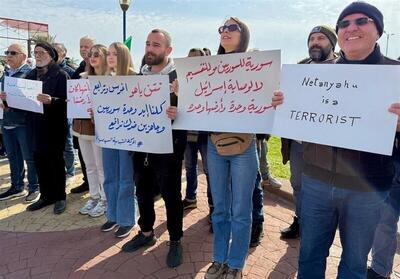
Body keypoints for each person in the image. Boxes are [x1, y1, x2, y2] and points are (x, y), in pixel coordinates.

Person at [272, 2, 400, 278]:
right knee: (309, 258)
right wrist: (283, 103)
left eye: (361, 21)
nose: (351, 28)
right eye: (344, 23)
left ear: (378, 30)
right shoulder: (314, 74)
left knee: (354, 265)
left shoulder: (396, 74)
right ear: (339, 33)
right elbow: (297, 118)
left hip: (367, 190)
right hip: (316, 183)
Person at [122, 29, 187, 269]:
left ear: (168, 50)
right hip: (141, 147)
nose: (150, 49)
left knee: (171, 195)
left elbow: (195, 112)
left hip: (169, 148)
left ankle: (175, 239)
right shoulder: (138, 76)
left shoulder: (180, 78)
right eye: (148, 44)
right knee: (143, 190)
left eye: (156, 45)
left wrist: (178, 112)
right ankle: (147, 232)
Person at [204, 17, 257, 279]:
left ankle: (236, 263)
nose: (224, 31)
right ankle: (218, 259)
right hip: (214, 144)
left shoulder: (256, 66)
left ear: (243, 34)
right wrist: (182, 93)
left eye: (231, 28)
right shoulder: (206, 68)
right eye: (221, 28)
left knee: (241, 209)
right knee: (220, 208)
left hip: (244, 146)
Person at [280, 25, 338, 239]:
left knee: (324, 188)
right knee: (298, 183)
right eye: (311, 38)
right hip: (298, 142)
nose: (315, 42)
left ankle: (319, 227)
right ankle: (300, 220)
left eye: (321, 38)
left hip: (328, 145)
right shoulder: (298, 68)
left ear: (332, 42)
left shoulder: (345, 68)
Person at [25, 42, 68, 214]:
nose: (38, 55)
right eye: (36, 52)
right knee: (40, 161)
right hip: (36, 126)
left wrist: (53, 101)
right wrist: (8, 100)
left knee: (56, 162)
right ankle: (45, 196)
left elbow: (68, 102)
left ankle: (60, 197)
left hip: (54, 127)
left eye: (42, 52)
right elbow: (23, 99)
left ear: (51, 55)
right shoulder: (30, 75)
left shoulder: (61, 75)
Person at [99, 42, 137, 238]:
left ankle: (127, 219)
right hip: (108, 135)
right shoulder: (104, 79)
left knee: (125, 178)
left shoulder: (135, 78)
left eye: (115, 54)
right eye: (109, 54)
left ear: (123, 55)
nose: (110, 57)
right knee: (110, 177)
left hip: (128, 137)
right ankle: (112, 215)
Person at [0, 43, 39, 202]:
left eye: (13, 53)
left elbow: (33, 100)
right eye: (7, 52)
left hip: (23, 124)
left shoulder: (30, 73)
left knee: (29, 157)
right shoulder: (5, 74)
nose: (9, 55)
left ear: (23, 56)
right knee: (13, 157)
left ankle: (34, 188)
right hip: (7, 122)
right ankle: (16, 187)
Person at [73, 44, 107, 218]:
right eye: (90, 54)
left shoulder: (110, 79)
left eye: (97, 54)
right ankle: (94, 197)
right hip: (81, 128)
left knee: (101, 167)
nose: (92, 57)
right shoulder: (82, 78)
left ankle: (104, 199)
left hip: (98, 130)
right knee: (89, 166)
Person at [182, 48, 213, 221]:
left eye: (197, 59)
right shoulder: (183, 81)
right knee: (189, 167)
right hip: (188, 134)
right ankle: (190, 198)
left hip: (205, 134)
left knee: (209, 170)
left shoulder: (210, 80)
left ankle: (213, 205)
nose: (193, 62)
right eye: (190, 59)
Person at [70, 36, 95, 194]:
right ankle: (88, 183)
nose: (83, 49)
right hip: (79, 123)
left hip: (94, 125)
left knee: (98, 163)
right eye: (81, 46)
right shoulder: (77, 70)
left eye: (87, 46)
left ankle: (101, 193)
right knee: (85, 159)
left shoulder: (101, 70)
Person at [53, 42, 76, 185]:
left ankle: (71, 172)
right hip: (50, 114)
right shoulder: (45, 71)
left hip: (66, 113)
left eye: (56, 51)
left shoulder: (70, 72)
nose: (53, 54)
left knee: (67, 144)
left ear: (64, 54)